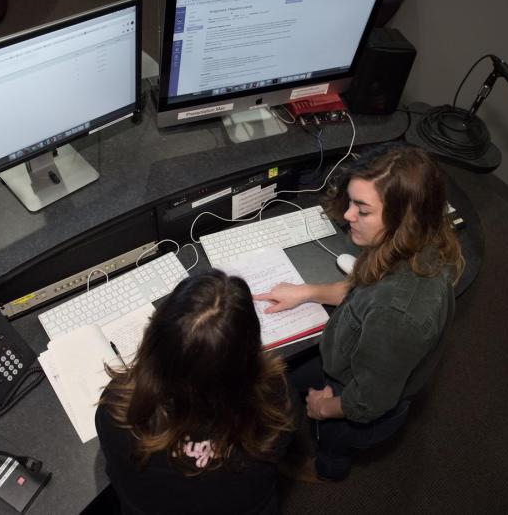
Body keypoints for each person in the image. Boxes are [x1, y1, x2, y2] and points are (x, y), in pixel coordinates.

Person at [254, 145, 464, 482]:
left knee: (333, 446)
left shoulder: (398, 315)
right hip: (348, 364)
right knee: (282, 377)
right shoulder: (407, 244)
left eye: (363, 210)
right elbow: (362, 290)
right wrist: (305, 292)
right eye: (351, 202)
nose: (348, 216)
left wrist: (324, 408)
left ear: (403, 219)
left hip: (357, 404)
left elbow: (368, 401)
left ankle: (326, 471)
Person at [95, 269, 294, 515]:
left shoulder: (117, 410)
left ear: (156, 338)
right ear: (249, 350)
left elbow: (115, 471)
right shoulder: (278, 400)